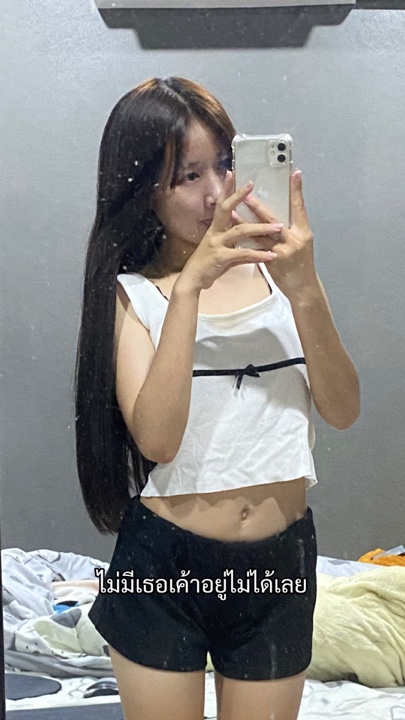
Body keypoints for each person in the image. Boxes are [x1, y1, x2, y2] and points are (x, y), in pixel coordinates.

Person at [75, 76, 360, 720]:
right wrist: (187, 292)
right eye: (187, 175)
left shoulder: (283, 279)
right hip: (166, 568)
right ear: (143, 189)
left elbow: (343, 410)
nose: (216, 193)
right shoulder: (134, 294)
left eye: (225, 164)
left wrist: (306, 289)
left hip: (278, 565)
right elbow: (158, 440)